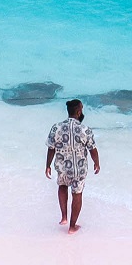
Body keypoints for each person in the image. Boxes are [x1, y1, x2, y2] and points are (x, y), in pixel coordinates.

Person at [45, 99, 99, 233]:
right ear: (79, 112)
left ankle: (64, 217)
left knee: (62, 186)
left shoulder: (56, 127)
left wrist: (48, 165)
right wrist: (97, 163)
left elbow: (51, 148)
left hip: (62, 167)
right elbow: (92, 149)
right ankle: (72, 227)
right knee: (77, 194)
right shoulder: (85, 130)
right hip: (79, 169)